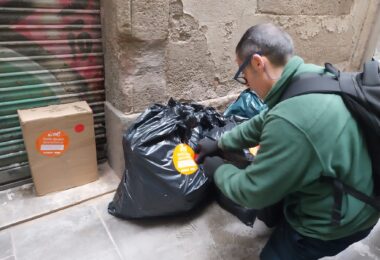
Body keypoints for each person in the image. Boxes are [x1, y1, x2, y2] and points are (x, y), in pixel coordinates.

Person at [195, 23, 379, 260]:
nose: (247, 84)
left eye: (244, 76)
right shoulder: (311, 75)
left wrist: (219, 170)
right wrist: (221, 143)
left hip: (338, 223)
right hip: (361, 187)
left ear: (258, 63)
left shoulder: (291, 123)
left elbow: (253, 192)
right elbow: (266, 119)